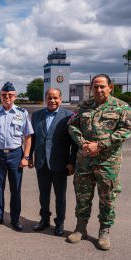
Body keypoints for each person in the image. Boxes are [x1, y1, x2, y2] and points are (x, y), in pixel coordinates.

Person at [67, 74, 131, 250]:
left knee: (107, 198)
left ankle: (104, 231)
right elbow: (72, 125)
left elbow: (126, 129)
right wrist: (83, 142)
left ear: (110, 87)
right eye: (96, 86)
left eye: (102, 86)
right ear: (91, 87)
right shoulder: (83, 106)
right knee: (83, 196)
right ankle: (81, 228)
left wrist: (101, 145)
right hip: (84, 160)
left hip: (107, 162)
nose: (99, 90)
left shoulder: (121, 107)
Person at [0, 81, 33, 231]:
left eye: (10, 95)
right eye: (4, 95)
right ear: (0, 96)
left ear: (15, 96)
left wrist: (26, 157)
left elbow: (28, 137)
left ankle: (15, 219)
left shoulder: (22, 113)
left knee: (15, 189)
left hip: (16, 155)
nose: (7, 97)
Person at [28, 88, 77, 236]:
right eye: (49, 98)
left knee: (60, 196)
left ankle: (60, 222)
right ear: (45, 99)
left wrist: (71, 162)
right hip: (41, 162)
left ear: (61, 99)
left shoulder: (69, 116)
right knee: (43, 194)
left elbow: (74, 143)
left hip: (60, 164)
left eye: (55, 98)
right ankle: (44, 219)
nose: (52, 101)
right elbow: (33, 138)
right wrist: (29, 156)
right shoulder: (36, 115)